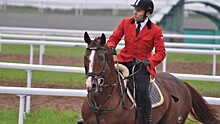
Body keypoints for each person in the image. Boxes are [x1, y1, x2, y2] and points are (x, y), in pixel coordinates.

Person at [107, 0, 166, 123]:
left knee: (142, 91)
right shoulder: (125, 23)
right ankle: (92, 113)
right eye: (134, 10)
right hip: (122, 60)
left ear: (147, 13)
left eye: (138, 11)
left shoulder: (156, 30)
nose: (135, 13)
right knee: (102, 78)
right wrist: (111, 46)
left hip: (141, 66)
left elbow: (161, 53)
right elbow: (113, 38)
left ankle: (147, 119)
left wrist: (149, 61)